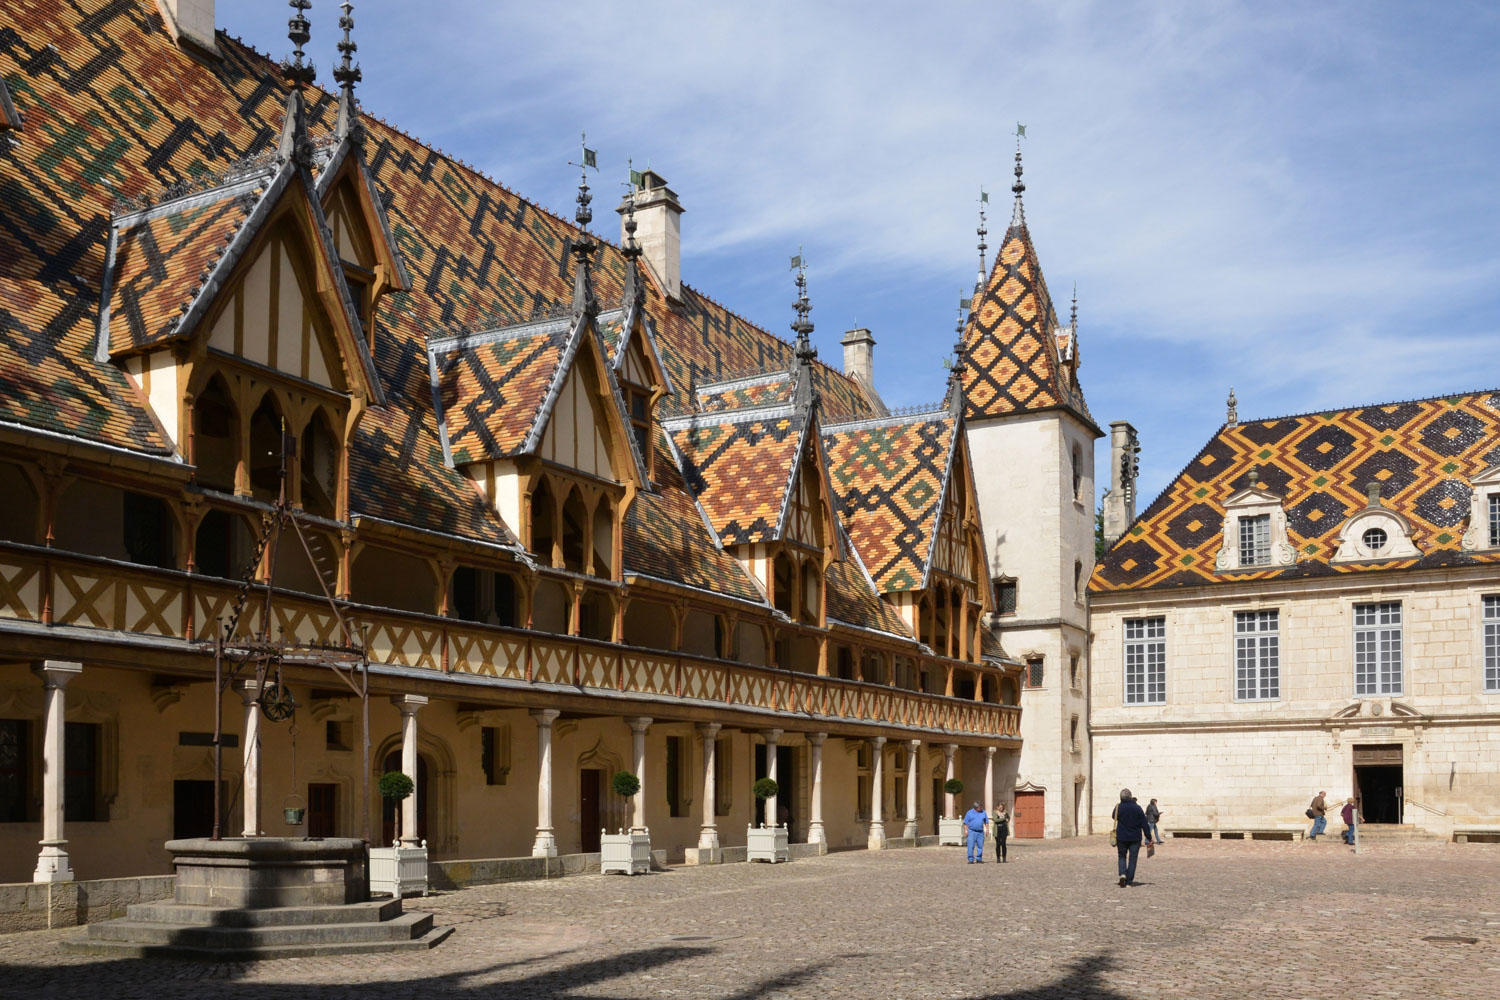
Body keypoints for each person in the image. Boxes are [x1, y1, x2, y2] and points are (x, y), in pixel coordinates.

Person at [1112, 788, 1150, 887]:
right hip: (1135, 838)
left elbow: (1113, 816)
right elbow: (1144, 824)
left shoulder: (1118, 807)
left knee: (1122, 856)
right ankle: (1129, 881)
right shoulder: (1137, 808)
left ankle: (1123, 874)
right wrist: (1148, 837)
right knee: (1133, 859)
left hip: (1121, 837)